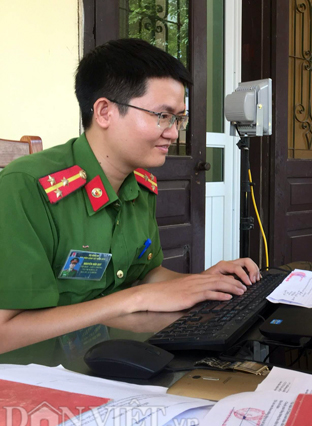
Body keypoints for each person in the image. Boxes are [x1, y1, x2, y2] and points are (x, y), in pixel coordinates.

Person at [0, 39, 260, 354]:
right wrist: (133, 300)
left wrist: (200, 284)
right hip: (38, 377)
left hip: (112, 355)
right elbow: (5, 333)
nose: (174, 133)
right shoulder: (26, 187)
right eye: (162, 116)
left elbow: (143, 275)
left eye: (179, 118)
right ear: (105, 112)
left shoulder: (138, 185)